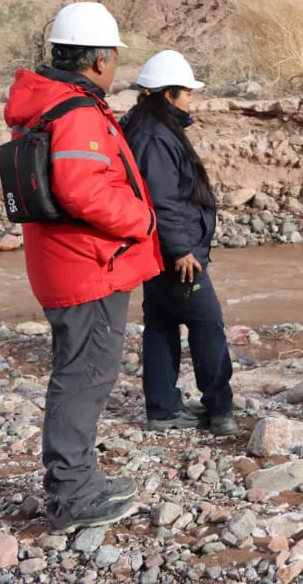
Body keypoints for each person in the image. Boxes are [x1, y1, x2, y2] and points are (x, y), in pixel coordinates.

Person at [3, 2, 161, 534]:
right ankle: (72, 495)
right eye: (114, 57)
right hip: (88, 268)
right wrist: (141, 220)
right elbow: (82, 188)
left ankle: (80, 480)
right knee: (85, 376)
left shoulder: (49, 107)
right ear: (99, 60)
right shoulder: (76, 113)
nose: (115, 66)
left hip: (67, 264)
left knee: (81, 373)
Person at [121, 51, 238, 438]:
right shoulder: (155, 136)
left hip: (155, 250)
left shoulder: (147, 127)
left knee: (161, 324)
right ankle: (219, 411)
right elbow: (163, 199)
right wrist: (182, 250)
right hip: (176, 255)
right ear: (169, 95)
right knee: (208, 327)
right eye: (187, 93)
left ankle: (163, 410)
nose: (191, 100)